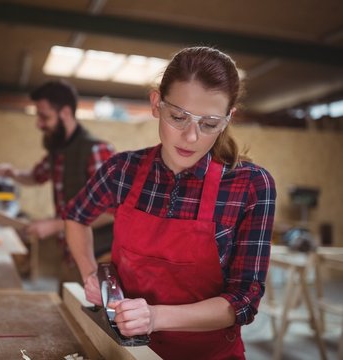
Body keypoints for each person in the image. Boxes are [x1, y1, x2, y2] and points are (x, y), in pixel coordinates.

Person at [64, 47, 276, 359]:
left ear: (228, 119)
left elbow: (244, 299)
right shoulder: (121, 170)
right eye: (178, 117)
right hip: (128, 351)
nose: (191, 137)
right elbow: (76, 217)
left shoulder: (251, 186)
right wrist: (89, 271)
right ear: (156, 105)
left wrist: (155, 317)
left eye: (209, 124)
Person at [0, 80, 115, 285]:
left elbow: (110, 212)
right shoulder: (58, 151)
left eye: (44, 116)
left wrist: (56, 224)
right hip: (70, 254)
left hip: (98, 258)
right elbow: (35, 176)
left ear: (65, 113)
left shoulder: (96, 150)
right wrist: (11, 172)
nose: (39, 124)